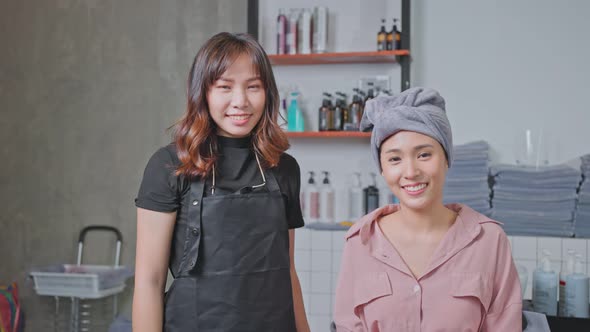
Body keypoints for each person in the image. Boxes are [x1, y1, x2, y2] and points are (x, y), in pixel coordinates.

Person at [132, 32, 310, 332]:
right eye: (225, 87)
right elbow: (149, 280)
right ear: (203, 92)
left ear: (267, 93)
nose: (240, 101)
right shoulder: (169, 166)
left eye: (253, 87)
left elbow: (287, 272)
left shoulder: (284, 168)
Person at [333, 87, 522, 331]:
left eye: (424, 154)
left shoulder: (489, 240)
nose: (410, 172)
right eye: (394, 159)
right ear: (382, 169)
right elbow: (349, 325)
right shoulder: (361, 241)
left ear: (446, 159)